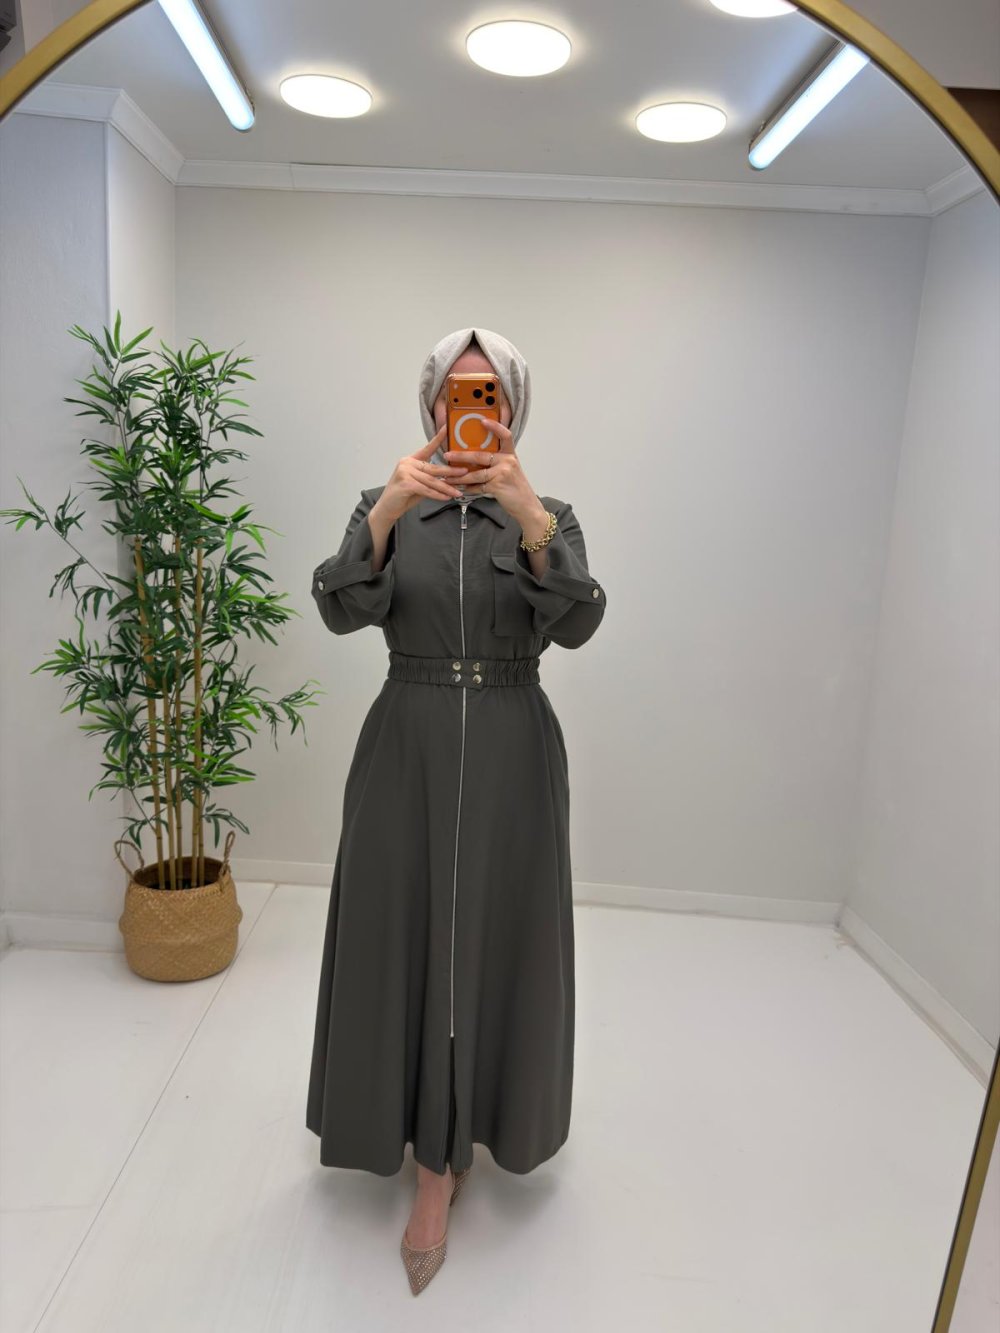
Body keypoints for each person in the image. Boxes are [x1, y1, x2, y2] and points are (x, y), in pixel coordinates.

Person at [305, 327, 607, 1294]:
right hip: (409, 739)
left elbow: (580, 621)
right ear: (433, 404)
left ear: (512, 409)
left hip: (515, 743)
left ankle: (463, 1144)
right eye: (455, 392)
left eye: (490, 394)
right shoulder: (387, 502)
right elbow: (340, 606)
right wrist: (389, 508)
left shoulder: (547, 513)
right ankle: (422, 1154)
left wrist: (531, 517)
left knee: (494, 937)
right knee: (401, 931)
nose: (471, 409)